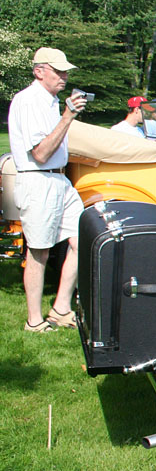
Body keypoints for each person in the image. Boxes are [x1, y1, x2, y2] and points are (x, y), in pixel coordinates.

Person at [6, 47, 87, 332]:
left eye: (65, 71)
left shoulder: (52, 102)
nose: (64, 76)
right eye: (58, 71)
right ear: (39, 71)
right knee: (39, 251)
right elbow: (40, 153)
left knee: (83, 238)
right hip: (37, 179)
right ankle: (34, 321)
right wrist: (68, 115)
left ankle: (61, 308)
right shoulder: (27, 101)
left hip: (59, 181)